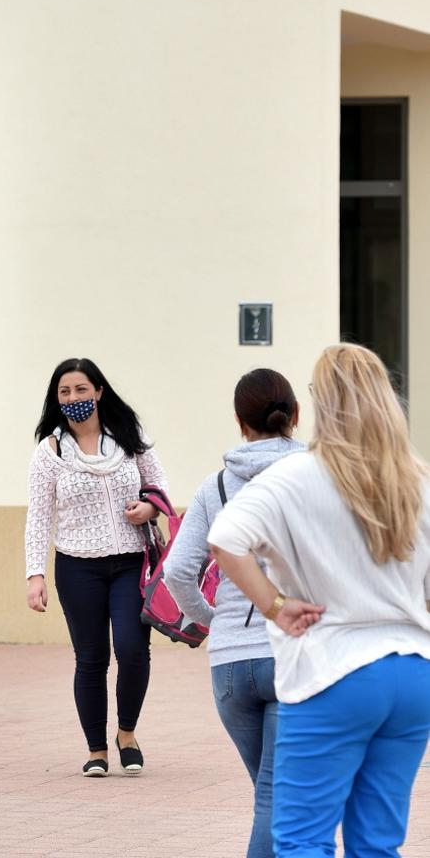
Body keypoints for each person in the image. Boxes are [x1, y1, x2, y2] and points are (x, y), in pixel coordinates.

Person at [209, 344, 430, 858]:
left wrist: (273, 604)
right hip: (413, 674)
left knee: (303, 841)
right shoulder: (416, 479)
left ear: (320, 405)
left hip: (335, 670)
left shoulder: (295, 476)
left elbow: (225, 538)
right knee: (377, 843)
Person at [161, 368, 303, 858]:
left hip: (230, 666)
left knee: (276, 797)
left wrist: (208, 619)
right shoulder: (317, 477)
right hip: (294, 654)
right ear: (295, 416)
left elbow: (178, 571)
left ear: (240, 423)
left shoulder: (215, 486)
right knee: (279, 797)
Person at [24, 357, 168, 778]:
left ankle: (127, 732)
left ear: (99, 391)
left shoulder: (129, 437)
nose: (74, 399)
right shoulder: (49, 452)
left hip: (130, 563)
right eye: (65, 392)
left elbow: (159, 484)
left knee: (132, 649)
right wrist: (35, 574)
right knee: (91, 658)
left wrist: (148, 507)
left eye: (81, 390)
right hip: (77, 567)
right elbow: (38, 516)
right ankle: (96, 749)